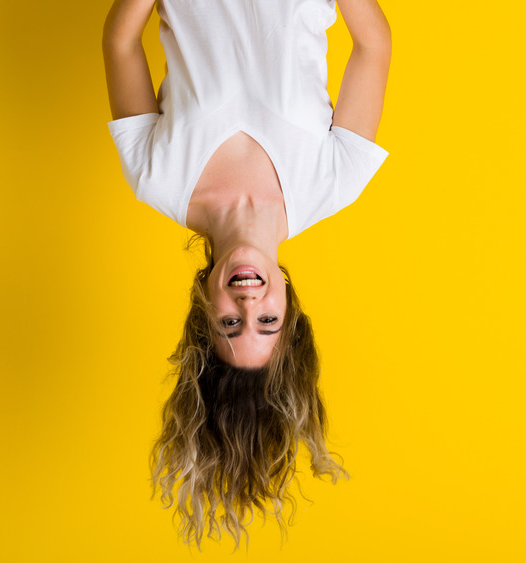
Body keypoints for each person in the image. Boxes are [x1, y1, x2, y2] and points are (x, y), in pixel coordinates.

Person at [103, 0, 391, 549]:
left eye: (231, 326)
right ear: (291, 309)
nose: (247, 304)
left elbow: (120, 41)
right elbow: (374, 45)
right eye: (268, 322)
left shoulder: (154, 178)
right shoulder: (336, 182)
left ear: (203, 314)